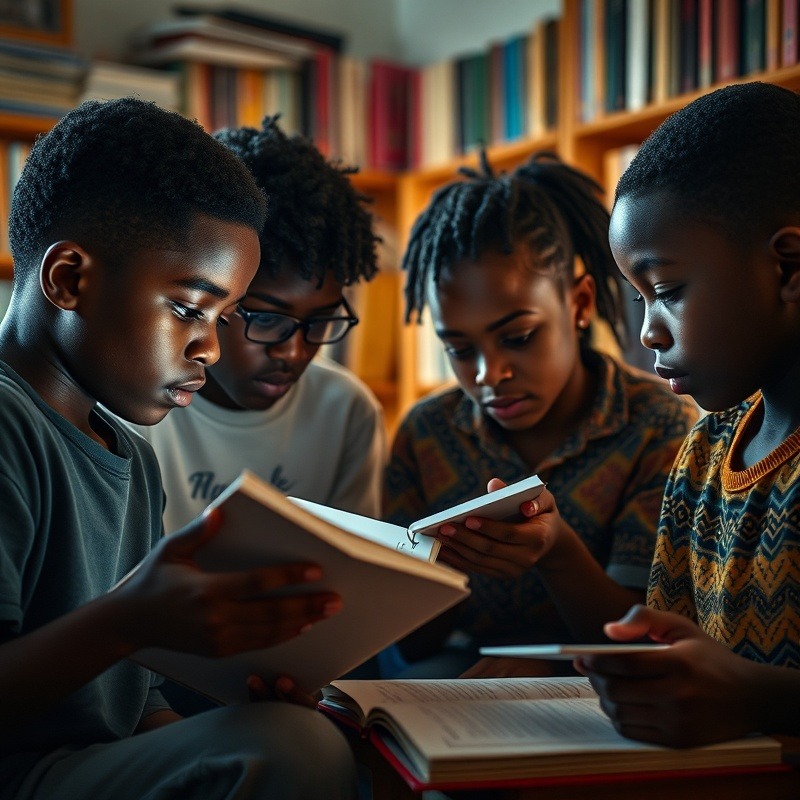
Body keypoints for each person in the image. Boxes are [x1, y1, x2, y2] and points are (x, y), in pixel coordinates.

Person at [0, 98, 357, 799]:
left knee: (301, 738)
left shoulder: (133, 461)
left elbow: (137, 711)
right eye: (191, 309)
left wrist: (235, 729)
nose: (211, 347)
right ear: (69, 278)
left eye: (224, 316)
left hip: (80, 772)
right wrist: (131, 621)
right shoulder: (9, 425)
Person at [383, 151, 699, 679]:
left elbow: (642, 639)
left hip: (600, 690)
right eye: (459, 349)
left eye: (518, 338)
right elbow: (405, 645)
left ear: (578, 304)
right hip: (452, 681)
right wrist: (443, 569)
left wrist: (556, 552)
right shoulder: (425, 433)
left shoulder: (658, 427)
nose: (488, 374)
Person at [576, 81, 800, 747]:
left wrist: (760, 701)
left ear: (789, 267)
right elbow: (676, 644)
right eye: (640, 299)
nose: (647, 332)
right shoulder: (704, 452)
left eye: (667, 291)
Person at [129, 115, 385, 533]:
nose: (294, 351)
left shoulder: (347, 412)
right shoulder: (136, 407)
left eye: (320, 322)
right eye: (266, 318)